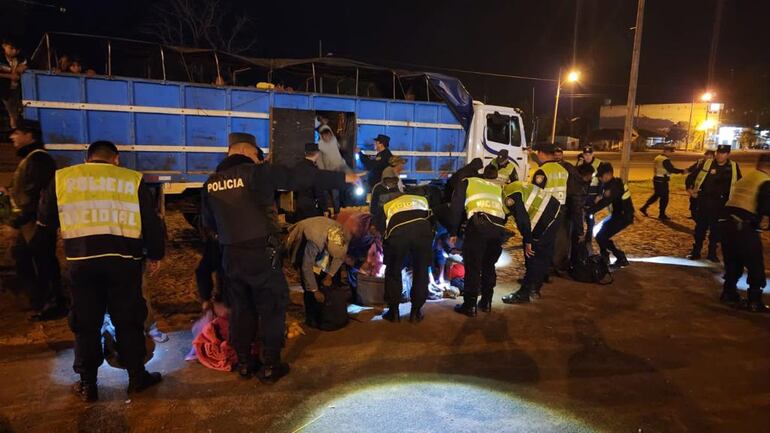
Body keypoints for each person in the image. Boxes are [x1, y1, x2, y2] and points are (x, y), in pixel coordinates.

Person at [200, 132, 359, 382]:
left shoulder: (210, 184)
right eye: (256, 154)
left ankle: (244, 363)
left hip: (231, 255)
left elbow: (208, 223)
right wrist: (342, 177)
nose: (258, 158)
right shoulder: (254, 172)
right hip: (261, 253)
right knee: (272, 306)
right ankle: (271, 364)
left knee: (242, 308)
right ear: (246, 151)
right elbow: (298, 176)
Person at [37, 140, 166, 402]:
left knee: (86, 323)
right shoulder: (131, 180)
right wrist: (154, 255)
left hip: (82, 262)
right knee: (128, 320)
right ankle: (137, 377)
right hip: (123, 262)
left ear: (88, 158)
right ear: (115, 158)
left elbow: (45, 221)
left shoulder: (63, 179)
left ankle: (88, 384)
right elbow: (151, 222)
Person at [4, 119, 63, 320]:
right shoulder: (31, 159)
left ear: (30, 135)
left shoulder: (39, 160)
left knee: (43, 263)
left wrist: (16, 221)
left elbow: (35, 195)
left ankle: (52, 304)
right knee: (28, 260)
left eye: (17, 132)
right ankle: (42, 301)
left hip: (37, 224)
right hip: (30, 223)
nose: (12, 136)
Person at [502, 142, 568, 304]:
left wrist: (528, 240)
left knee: (531, 254)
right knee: (545, 253)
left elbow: (522, 218)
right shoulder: (562, 170)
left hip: (542, 218)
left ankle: (524, 294)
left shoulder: (510, 195)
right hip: (557, 212)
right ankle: (535, 288)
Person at [449, 165, 507, 316]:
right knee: (489, 265)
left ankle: (470, 305)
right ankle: (486, 302)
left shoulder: (465, 183)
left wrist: (454, 232)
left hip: (478, 227)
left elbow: (456, 208)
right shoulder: (493, 187)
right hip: (497, 228)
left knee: (473, 267)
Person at [375, 175, 434, 322]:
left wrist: (387, 246)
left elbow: (381, 227)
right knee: (421, 272)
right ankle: (415, 313)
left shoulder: (389, 204)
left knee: (393, 271)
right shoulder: (423, 200)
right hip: (422, 233)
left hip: (398, 235)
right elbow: (432, 221)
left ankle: (394, 312)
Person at [718, 154, 770, 312]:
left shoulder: (748, 178)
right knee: (755, 265)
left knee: (733, 261)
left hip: (726, 224)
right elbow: (765, 209)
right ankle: (754, 301)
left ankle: (729, 293)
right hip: (744, 227)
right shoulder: (766, 182)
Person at [285, 216, 350, 328]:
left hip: (324, 234)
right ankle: (311, 319)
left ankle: (323, 314)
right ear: (326, 244)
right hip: (305, 232)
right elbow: (307, 266)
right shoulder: (314, 240)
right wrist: (314, 290)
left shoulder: (342, 236)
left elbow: (339, 257)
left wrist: (329, 275)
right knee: (309, 285)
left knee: (325, 276)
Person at [687, 144, 741, 261]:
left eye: (723, 153)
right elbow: (691, 176)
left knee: (716, 231)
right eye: (718, 152)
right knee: (700, 229)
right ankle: (696, 252)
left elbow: (738, 184)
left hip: (721, 205)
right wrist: (690, 190)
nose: (720, 155)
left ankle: (712, 254)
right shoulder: (707, 163)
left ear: (728, 154)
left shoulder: (733, 167)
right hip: (704, 202)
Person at [588, 162, 634, 268]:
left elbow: (606, 201)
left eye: (601, 176)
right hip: (617, 215)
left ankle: (620, 258)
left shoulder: (615, 185)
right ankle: (606, 256)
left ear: (609, 174)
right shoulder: (609, 184)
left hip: (623, 217)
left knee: (601, 236)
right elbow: (603, 197)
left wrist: (590, 211)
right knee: (600, 235)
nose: (599, 178)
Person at [640, 145, 686, 220]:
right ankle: (662, 214)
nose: (672, 153)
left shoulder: (658, 157)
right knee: (664, 198)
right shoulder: (665, 160)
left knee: (656, 195)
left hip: (656, 179)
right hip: (662, 181)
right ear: (667, 151)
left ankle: (644, 207)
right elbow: (671, 169)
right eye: (671, 152)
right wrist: (682, 171)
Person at [317, 126, 349, 215]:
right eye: (324, 136)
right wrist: (323, 173)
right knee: (325, 195)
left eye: (328, 135)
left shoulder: (334, 143)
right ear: (322, 136)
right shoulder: (320, 146)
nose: (326, 137)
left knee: (336, 195)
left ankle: (337, 213)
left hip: (335, 174)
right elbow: (320, 161)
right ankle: (326, 212)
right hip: (326, 174)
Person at [291, 143, 327, 221]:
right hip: (312, 206)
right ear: (317, 154)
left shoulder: (297, 167)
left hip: (299, 203)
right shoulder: (315, 170)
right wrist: (324, 208)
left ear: (305, 153)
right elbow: (318, 191)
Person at [576, 145, 602, 243]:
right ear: (583, 154)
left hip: (592, 194)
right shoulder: (580, 163)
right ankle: (579, 237)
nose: (587, 156)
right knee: (579, 217)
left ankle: (588, 238)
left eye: (589, 154)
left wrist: (599, 195)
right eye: (585, 154)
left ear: (593, 154)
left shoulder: (598, 164)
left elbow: (602, 181)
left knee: (590, 217)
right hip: (582, 194)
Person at [1, 38, 27, 129]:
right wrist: (10, 76)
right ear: (4, 46)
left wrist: (24, 67)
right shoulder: (1, 58)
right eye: (11, 48)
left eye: (17, 50)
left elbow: (31, 64)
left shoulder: (21, 58)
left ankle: (15, 132)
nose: (14, 51)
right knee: (12, 114)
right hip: (3, 90)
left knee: (15, 115)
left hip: (16, 91)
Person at [685, 149, 715, 220]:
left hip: (706, 189)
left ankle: (700, 217)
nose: (709, 157)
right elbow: (693, 171)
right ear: (705, 156)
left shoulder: (714, 165)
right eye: (707, 155)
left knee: (703, 204)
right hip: (696, 185)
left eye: (711, 156)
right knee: (693, 200)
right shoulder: (700, 162)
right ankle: (693, 214)